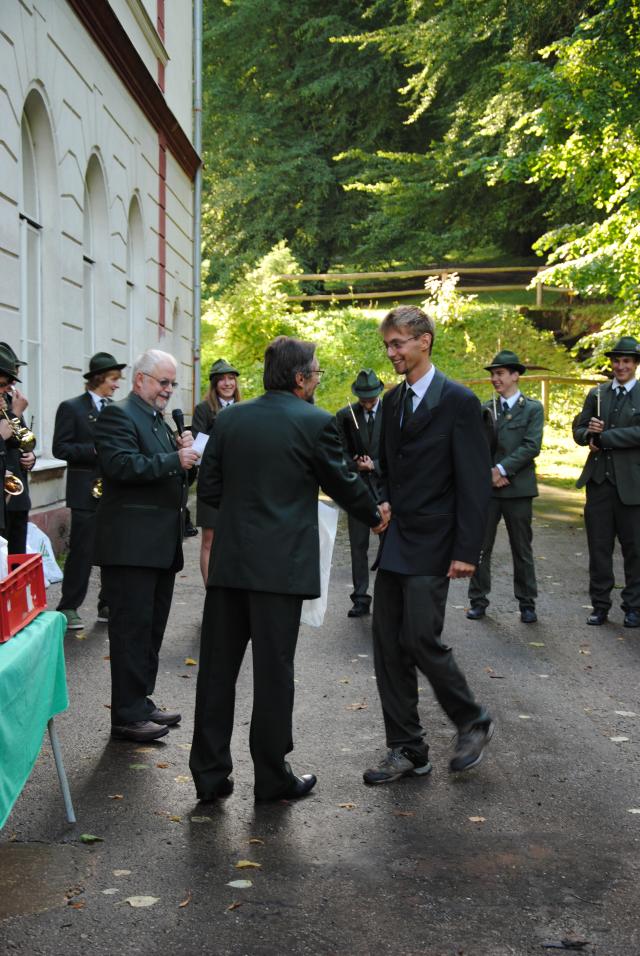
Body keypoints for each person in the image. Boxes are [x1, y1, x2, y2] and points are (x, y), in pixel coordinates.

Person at [190, 335, 388, 802]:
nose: (317, 379)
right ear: (300, 378)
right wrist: (375, 513)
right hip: (280, 571)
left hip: (230, 565)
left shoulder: (229, 419)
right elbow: (342, 481)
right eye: (316, 373)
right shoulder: (315, 422)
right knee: (274, 675)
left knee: (216, 672)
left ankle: (209, 776)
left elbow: (209, 489)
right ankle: (272, 776)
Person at [364, 304, 494, 786]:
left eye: (398, 343)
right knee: (387, 645)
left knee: (420, 637)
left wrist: (467, 551)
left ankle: (472, 719)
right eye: (388, 345)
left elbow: (474, 483)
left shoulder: (459, 401)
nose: (391, 353)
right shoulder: (391, 401)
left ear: (425, 341)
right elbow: (383, 467)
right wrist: (382, 501)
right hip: (397, 541)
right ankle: (408, 749)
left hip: (437, 541)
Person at [94, 349, 199, 742]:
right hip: (131, 548)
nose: (168, 390)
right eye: (163, 382)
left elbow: (173, 478)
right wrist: (175, 459)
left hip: (159, 546)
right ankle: (126, 715)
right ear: (140, 380)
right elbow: (121, 465)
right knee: (130, 633)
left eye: (172, 383)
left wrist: (187, 461)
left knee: (151, 630)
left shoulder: (158, 420)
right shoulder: (118, 415)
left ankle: (140, 701)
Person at [467, 350, 544, 624]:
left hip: (518, 489)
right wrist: (488, 473)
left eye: (500, 374)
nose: (495, 379)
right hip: (488, 490)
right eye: (492, 374)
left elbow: (531, 446)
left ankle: (527, 603)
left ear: (515, 375)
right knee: (480, 547)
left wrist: (500, 470)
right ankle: (478, 600)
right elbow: (476, 446)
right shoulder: (486, 408)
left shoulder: (532, 408)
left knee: (521, 549)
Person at [52, 352, 126, 630]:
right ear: (99, 378)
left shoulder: (117, 409)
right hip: (85, 490)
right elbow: (60, 448)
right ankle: (68, 606)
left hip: (113, 489)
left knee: (112, 549)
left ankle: (106, 603)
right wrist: (93, 450)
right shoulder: (71, 408)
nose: (117, 385)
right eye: (113, 379)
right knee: (82, 551)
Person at [573, 335, 640, 627]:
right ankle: (600, 605)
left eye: (626, 361)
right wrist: (589, 434)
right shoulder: (597, 394)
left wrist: (605, 438)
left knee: (635, 550)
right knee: (599, 549)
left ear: (635, 364)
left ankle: (633, 607)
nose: (620, 366)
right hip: (599, 482)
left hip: (633, 485)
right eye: (616, 361)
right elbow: (578, 430)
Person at [335, 369, 384, 617]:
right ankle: (361, 597)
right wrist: (357, 466)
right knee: (358, 546)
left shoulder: (393, 412)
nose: (367, 403)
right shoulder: (345, 416)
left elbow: (401, 452)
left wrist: (375, 464)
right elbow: (338, 453)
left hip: (386, 490)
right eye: (363, 399)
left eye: (371, 398)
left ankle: (388, 597)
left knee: (389, 545)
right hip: (357, 490)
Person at [192, 359, 242, 585]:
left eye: (231, 378)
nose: (227, 383)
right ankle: (211, 590)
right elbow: (198, 445)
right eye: (222, 379)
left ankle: (231, 590)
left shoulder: (245, 409)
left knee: (236, 537)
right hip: (212, 480)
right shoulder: (203, 409)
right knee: (209, 539)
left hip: (239, 483)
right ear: (214, 384)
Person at [0, 345, 35, 555]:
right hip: (4, 493)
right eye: (6, 382)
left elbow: (24, 440)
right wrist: (14, 414)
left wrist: (31, 454)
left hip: (16, 490)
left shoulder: (9, 401)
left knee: (17, 557)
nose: (10, 387)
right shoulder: (11, 406)